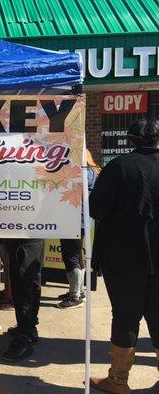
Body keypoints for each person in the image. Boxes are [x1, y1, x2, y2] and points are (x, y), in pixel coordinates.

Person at [89, 118, 159, 394]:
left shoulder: (119, 167)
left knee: (126, 317)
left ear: (131, 141)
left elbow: (97, 209)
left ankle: (118, 381)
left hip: (125, 259)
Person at [57, 150, 100, 309]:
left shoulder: (83, 172)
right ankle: (77, 291)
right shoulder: (91, 171)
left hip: (75, 219)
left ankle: (75, 296)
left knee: (70, 256)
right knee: (75, 254)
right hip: (80, 219)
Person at [1, 238, 44, 362]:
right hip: (31, 236)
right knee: (32, 283)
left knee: (22, 288)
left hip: (25, 238)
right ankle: (28, 328)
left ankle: (24, 337)